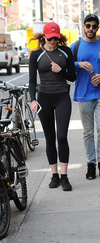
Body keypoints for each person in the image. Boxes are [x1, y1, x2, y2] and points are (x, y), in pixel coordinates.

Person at [29, 22, 76, 191]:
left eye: (56, 38)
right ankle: (54, 175)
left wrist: (60, 71)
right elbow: (32, 81)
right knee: (49, 138)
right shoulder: (36, 55)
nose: (53, 41)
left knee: (62, 137)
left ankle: (64, 176)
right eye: (50, 38)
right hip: (44, 99)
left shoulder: (66, 52)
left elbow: (73, 77)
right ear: (44, 37)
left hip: (62, 96)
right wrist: (32, 100)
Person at [70, 14, 100, 180]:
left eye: (94, 26)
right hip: (83, 94)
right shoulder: (75, 46)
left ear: (98, 28)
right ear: (83, 26)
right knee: (88, 132)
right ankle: (91, 164)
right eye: (88, 26)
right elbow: (65, 63)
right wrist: (78, 64)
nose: (90, 29)